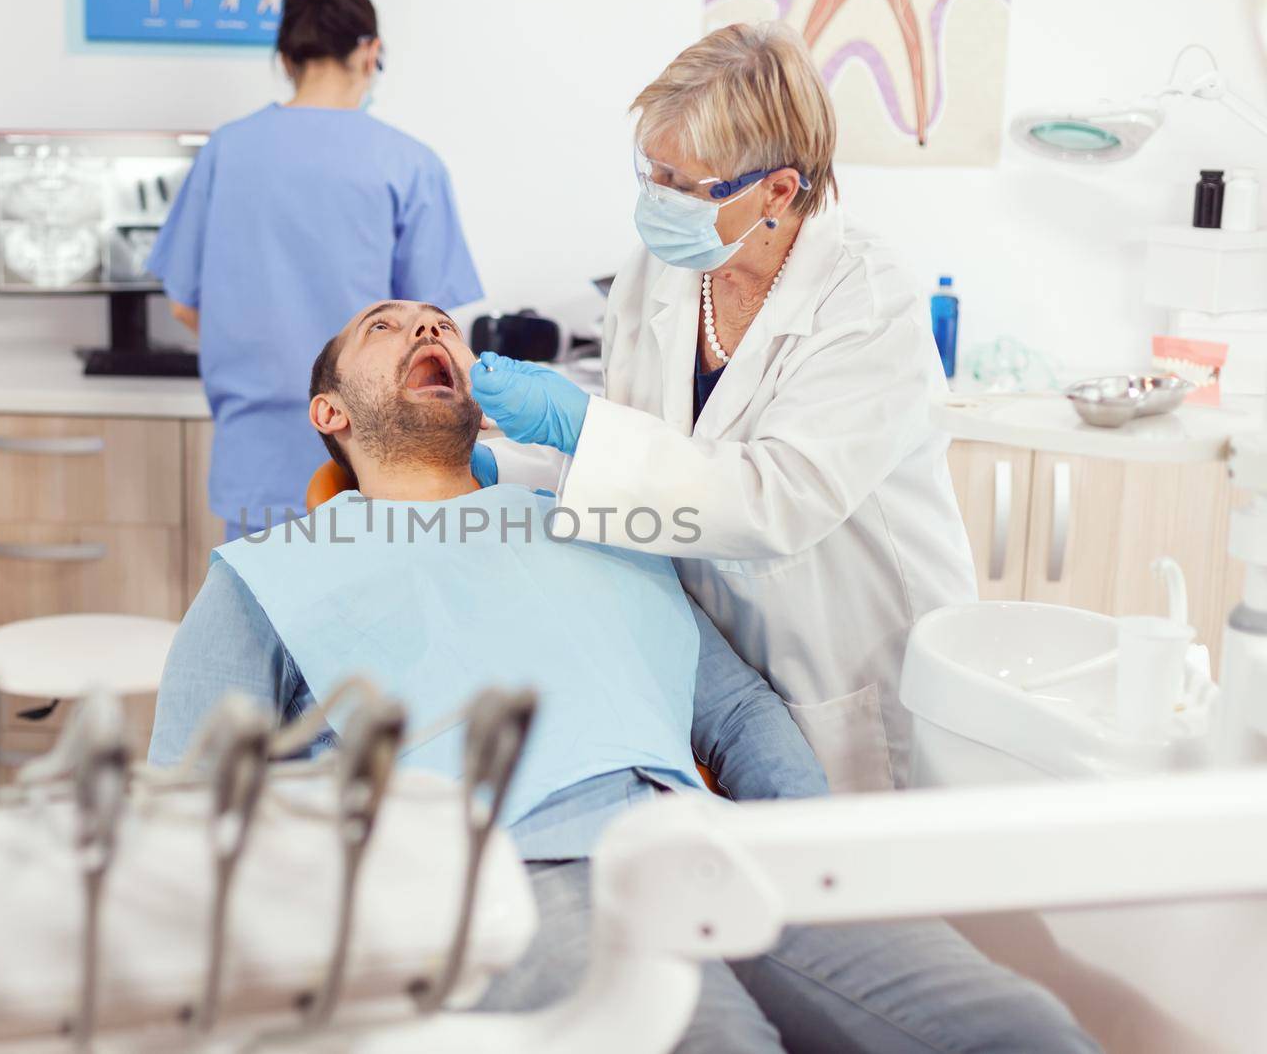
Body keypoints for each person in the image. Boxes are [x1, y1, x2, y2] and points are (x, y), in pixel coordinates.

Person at [149, 300, 1096, 1054]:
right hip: (502, 877)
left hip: (699, 842)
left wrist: (813, 857)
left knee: (1022, 1029)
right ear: (331, 413)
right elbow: (181, 812)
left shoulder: (589, 519)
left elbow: (735, 713)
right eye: (384, 327)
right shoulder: (271, 573)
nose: (428, 327)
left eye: (437, 319)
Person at [467, 22, 977, 794]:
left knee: (855, 889)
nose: (658, 201)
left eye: (686, 185)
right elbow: (639, 449)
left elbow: (774, 499)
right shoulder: (663, 269)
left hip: (853, 669)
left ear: (779, 189)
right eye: (651, 171)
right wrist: (499, 461)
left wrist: (579, 424)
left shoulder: (866, 302)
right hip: (725, 671)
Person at [146, 0, 482, 539]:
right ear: (371, 53)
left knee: (260, 613)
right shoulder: (408, 164)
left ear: (285, 59)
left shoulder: (226, 151)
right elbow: (430, 333)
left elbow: (185, 304)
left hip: (255, 456)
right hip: (374, 458)